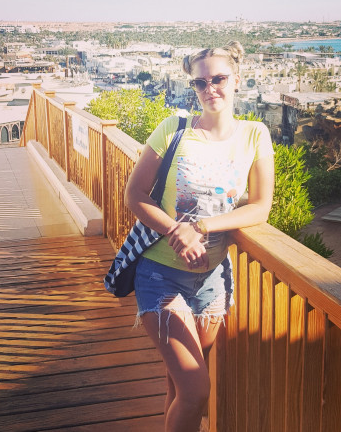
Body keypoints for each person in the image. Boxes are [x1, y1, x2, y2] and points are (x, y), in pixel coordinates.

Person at [124, 41, 275, 432]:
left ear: (237, 80)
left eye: (219, 79)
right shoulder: (174, 129)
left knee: (179, 387)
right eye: (200, 82)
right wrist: (176, 229)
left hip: (212, 280)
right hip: (160, 275)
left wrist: (202, 227)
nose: (210, 89)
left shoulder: (255, 135)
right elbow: (134, 194)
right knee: (195, 392)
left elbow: (261, 206)